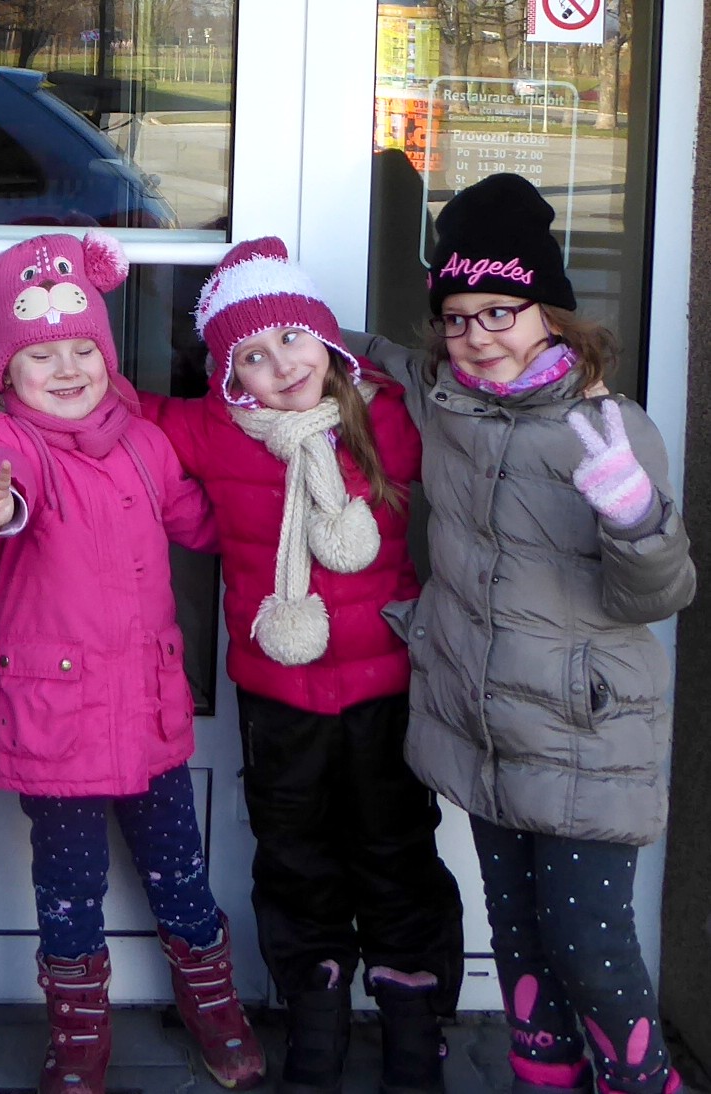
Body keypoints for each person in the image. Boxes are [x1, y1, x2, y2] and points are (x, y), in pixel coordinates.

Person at [350, 174, 695, 1094]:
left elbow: (659, 595)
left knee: (587, 944)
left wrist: (633, 517)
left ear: (549, 314)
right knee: (518, 942)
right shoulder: (446, 399)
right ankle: (546, 1078)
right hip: (483, 721)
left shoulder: (606, 429)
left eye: (500, 311)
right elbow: (373, 354)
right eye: (457, 317)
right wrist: (291, 331)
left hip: (583, 731)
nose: (478, 335)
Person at [143, 237, 465, 1094]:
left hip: (386, 690)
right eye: (251, 355)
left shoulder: (388, 417)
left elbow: (487, 439)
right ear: (227, 377)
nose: (279, 365)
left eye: (290, 338)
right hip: (277, 695)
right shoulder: (214, 430)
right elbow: (112, 413)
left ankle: (411, 1017)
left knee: (396, 852)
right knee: (294, 857)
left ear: (324, 339)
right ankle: (314, 1014)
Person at [0, 231, 267, 1094]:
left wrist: (269, 498)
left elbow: (200, 522)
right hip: (56, 721)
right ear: (5, 371)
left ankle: (214, 1007)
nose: (66, 368)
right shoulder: (5, 439)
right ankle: (80, 1037)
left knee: (180, 872)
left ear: (106, 352)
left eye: (82, 349)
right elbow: (1, 485)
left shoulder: (143, 442)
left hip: (145, 704)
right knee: (68, 887)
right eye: (39, 355)